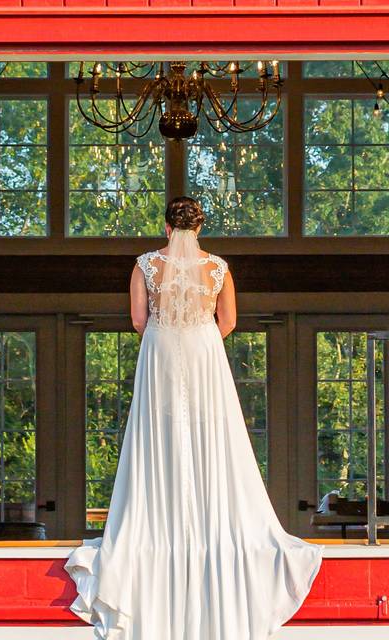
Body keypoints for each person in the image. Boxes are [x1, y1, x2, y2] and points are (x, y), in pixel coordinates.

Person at [64, 196, 324, 639]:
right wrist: (198, 336)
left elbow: (138, 319)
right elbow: (229, 322)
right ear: (199, 228)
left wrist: (169, 335)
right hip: (204, 352)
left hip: (161, 349)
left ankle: (156, 527)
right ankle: (211, 524)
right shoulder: (217, 267)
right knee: (212, 435)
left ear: (166, 227)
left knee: (160, 434)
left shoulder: (146, 263)